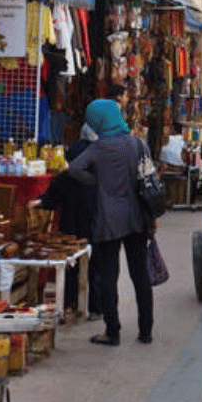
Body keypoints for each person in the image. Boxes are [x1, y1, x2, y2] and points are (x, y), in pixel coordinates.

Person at [64, 98, 155, 347]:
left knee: (108, 276)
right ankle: (145, 330)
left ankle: (112, 331)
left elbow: (74, 169)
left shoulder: (98, 148)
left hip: (107, 218)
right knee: (140, 275)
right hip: (136, 216)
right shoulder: (137, 144)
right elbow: (150, 176)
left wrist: (96, 181)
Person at [36, 123, 100, 317]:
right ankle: (95, 308)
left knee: (72, 267)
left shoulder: (67, 176)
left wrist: (40, 202)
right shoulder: (99, 172)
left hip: (71, 225)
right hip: (93, 226)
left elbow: (52, 198)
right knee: (95, 267)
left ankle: (70, 303)